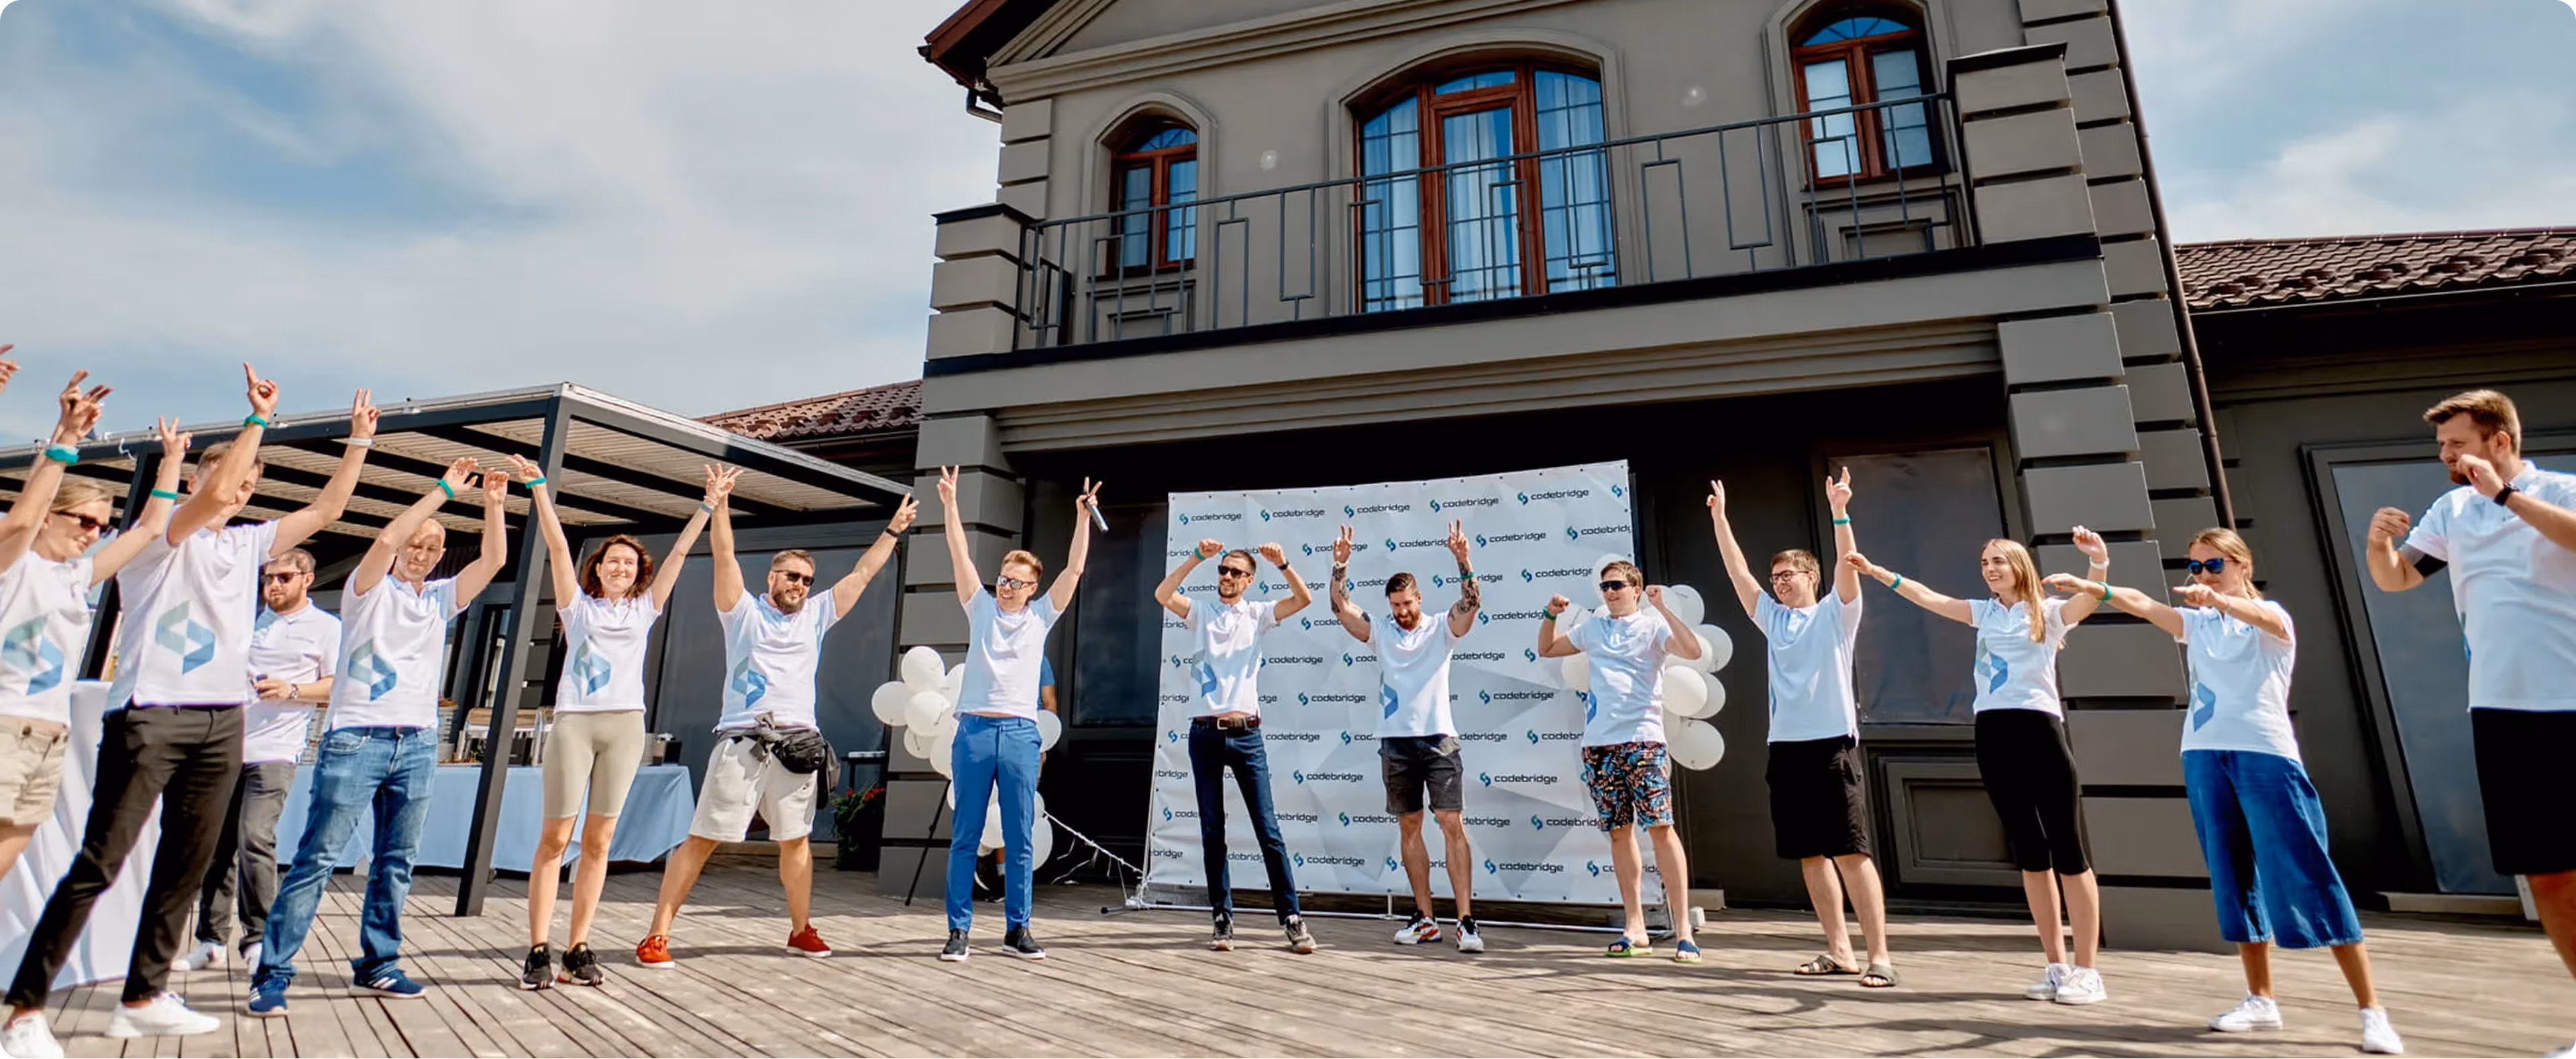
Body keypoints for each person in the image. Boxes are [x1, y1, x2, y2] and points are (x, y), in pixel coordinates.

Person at [7, 369, 374, 1044]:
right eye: (229, 477)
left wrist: (356, 445)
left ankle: (143, 996)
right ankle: (24, 1009)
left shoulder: (250, 542)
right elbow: (209, 498)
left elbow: (324, 514)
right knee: (102, 860)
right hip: (151, 713)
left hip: (221, 718)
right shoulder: (162, 539)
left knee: (187, 861)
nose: (239, 489)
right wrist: (256, 422)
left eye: (249, 482)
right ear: (203, 480)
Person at [2051, 528, 2404, 1054]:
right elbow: (2145, 603)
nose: (2202, 576)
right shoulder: (2199, 622)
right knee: (2234, 877)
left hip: (2265, 755)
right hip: (2204, 755)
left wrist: (2220, 598)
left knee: (2310, 873)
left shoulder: (2274, 616)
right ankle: (2260, 999)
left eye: (2213, 565)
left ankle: (2371, 1011)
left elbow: (2263, 619)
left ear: (2242, 564)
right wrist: (2093, 583)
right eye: (2195, 568)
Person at [246, 459, 508, 1018]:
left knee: (397, 860)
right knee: (317, 857)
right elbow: (388, 535)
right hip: (356, 739)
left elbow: (495, 559)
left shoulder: (439, 599)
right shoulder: (367, 591)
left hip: (416, 742)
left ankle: (378, 962)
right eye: (417, 543)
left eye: (434, 547)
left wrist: (493, 503)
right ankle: (272, 971)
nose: (423, 551)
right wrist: (441, 492)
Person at [2363, 388, 2576, 1056]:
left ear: (2500, 442)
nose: (2446, 456)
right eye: (2442, 447)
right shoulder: (2451, 510)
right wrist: (2379, 547)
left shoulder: (2563, 490)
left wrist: (2507, 499)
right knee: (2547, 874)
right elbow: (2400, 579)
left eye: (2456, 444)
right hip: (2502, 710)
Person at [637, 478, 916, 969]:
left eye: (807, 579)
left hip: (798, 743)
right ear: (772, 578)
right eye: (791, 576)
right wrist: (718, 505)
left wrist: (892, 530)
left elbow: (862, 575)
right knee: (703, 837)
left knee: (795, 840)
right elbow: (725, 557)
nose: (800, 585)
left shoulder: (817, 614)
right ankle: (657, 934)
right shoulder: (741, 612)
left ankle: (800, 928)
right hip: (743, 738)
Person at [1845, 528, 2111, 1005]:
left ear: (2018, 567)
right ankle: (2056, 965)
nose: (1989, 569)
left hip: (2040, 731)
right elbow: (1929, 598)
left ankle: (2088, 970)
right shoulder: (1984, 612)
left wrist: (2098, 564)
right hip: (1993, 733)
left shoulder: (2047, 612)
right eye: (1985, 562)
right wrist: (1880, 573)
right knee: (2030, 851)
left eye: (1998, 562)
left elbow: (2087, 605)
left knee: (2067, 849)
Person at [513, 459, 731, 989]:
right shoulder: (578, 607)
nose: (620, 569)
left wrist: (708, 504)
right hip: (575, 725)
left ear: (639, 573)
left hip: (625, 726)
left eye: (629, 564)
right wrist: (541, 489)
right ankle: (538, 947)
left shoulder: (646, 609)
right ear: (599, 567)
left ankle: (578, 946)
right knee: (555, 837)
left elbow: (680, 553)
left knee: (600, 839)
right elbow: (559, 548)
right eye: (613, 561)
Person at [1709, 469, 1892, 988]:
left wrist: (1839, 509)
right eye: (1776, 577)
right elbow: (1738, 572)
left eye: (1788, 574)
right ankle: (1840, 951)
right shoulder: (1772, 618)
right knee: (1810, 854)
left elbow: (1848, 563)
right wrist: (1721, 520)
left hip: (1831, 746)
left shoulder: (1838, 613)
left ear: (1812, 576)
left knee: (1851, 851)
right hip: (1785, 750)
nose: (1779, 582)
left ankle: (1879, 954)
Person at [1, 376, 183, 891]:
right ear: (49, 518)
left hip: (49, 730)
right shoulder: (13, 565)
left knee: (12, 853)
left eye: (100, 526)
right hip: (6, 724)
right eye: (82, 519)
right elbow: (19, 520)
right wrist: (66, 435)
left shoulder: (76, 575)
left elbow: (148, 530)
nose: (91, 532)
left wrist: (171, 461)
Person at [936, 467, 1097, 962]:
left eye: (1018, 582)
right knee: (965, 834)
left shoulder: (1042, 617)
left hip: (1022, 734)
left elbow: (1073, 571)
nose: (1007, 587)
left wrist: (1082, 517)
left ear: (1032, 588)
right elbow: (960, 554)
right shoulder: (980, 608)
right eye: (1004, 579)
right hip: (975, 731)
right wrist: (950, 503)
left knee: (1019, 835)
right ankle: (958, 931)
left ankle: (1017, 928)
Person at [176, 547, 341, 976]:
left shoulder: (326, 627)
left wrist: (291, 690)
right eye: (268, 579)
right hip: (226, 746)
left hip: (276, 751)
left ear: (308, 578)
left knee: (254, 838)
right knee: (216, 847)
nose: (273, 586)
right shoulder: (251, 623)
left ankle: (258, 939)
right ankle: (211, 941)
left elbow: (337, 686)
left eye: (284, 578)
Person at [1321, 521, 1484, 953]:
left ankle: (1466, 921)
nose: (1401, 612)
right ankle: (1426, 918)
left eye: (1407, 604)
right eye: (1395, 605)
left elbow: (1471, 605)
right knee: (1409, 826)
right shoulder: (1383, 632)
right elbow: (1341, 609)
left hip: (1439, 739)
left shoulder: (1440, 628)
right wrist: (1341, 564)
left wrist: (1463, 560)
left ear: (1420, 599)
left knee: (1451, 823)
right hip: (1395, 741)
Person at [1152, 533, 1319, 954]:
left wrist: (1284, 565)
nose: (1225, 576)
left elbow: (1303, 600)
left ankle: (1292, 918)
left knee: (1269, 830)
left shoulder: (1259, 614)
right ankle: (1222, 917)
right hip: (1205, 734)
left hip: (1247, 735)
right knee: (1213, 830)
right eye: (1222, 570)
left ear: (1248, 580)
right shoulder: (1202, 612)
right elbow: (1163, 593)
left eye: (1234, 572)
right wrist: (1195, 557)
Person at [1536, 559, 1705, 962]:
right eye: (1604, 587)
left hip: (1644, 741)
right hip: (1600, 745)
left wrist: (1662, 608)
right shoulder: (1593, 627)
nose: (1609, 593)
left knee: (1662, 829)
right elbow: (1546, 649)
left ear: (1634, 588)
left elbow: (1694, 650)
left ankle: (1684, 931)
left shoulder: (1651, 625)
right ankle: (1636, 926)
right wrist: (1549, 615)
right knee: (1619, 832)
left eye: (1616, 586)